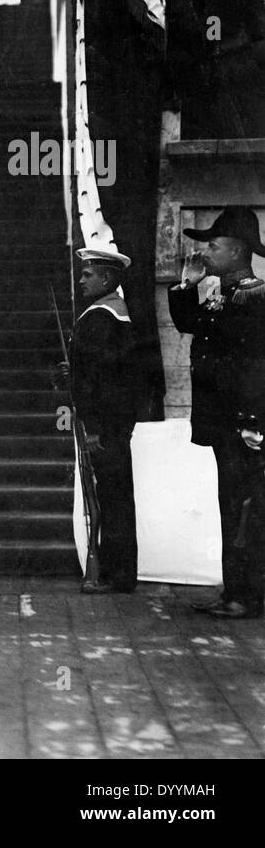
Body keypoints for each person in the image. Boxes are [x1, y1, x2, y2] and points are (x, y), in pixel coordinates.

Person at [170, 207, 265, 619]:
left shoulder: (255, 296)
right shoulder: (221, 293)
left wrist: (253, 421)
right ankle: (237, 591)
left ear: (238, 250)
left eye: (213, 245)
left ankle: (244, 595)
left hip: (244, 425)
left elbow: (257, 369)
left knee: (245, 508)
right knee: (233, 505)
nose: (205, 252)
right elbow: (188, 322)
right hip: (225, 423)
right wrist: (186, 285)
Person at [59, 248, 139, 594]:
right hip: (112, 424)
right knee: (114, 497)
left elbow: (104, 381)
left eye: (87, 274)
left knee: (113, 499)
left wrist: (94, 429)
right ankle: (116, 573)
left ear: (106, 279)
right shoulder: (107, 314)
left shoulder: (102, 318)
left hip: (104, 426)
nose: (81, 279)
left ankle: (115, 576)